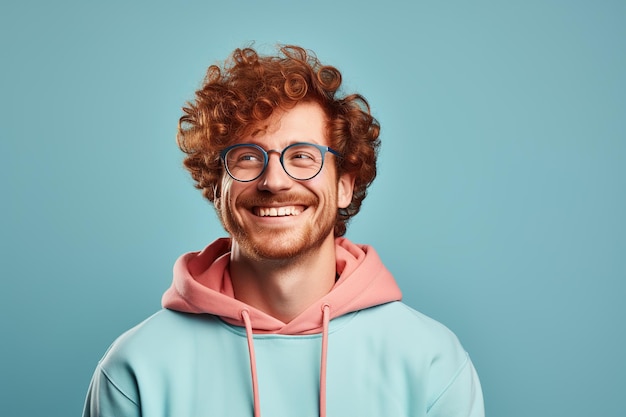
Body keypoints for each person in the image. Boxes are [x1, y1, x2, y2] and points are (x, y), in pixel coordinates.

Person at [82, 44, 484, 417]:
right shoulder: (135, 371)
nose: (274, 181)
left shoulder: (432, 363)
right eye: (246, 158)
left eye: (303, 156)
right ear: (217, 186)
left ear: (344, 183)